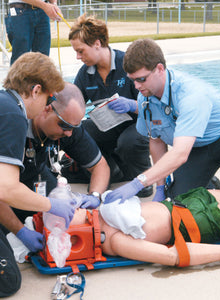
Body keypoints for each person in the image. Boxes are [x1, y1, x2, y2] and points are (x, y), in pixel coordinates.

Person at [104, 38, 220, 205]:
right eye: (132, 80)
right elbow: (156, 142)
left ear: (159, 69)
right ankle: (209, 185)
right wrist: (160, 186)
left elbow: (179, 153)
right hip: (195, 146)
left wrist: (138, 183)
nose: (137, 87)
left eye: (141, 79)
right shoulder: (146, 99)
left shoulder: (190, 95)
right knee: (181, 200)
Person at [71, 187, 220, 267]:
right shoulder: (114, 240)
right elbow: (174, 255)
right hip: (202, 220)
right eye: (66, 214)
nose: (70, 206)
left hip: (192, 200)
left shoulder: (101, 212)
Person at [0, 52, 74, 297]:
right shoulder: (13, 115)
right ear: (35, 90)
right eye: (48, 98)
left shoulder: (4, 104)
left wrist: (20, 230)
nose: (46, 105)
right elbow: (7, 189)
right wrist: (50, 204)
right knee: (7, 280)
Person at [68, 14, 153, 197]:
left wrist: (132, 104)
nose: (77, 57)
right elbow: (74, 105)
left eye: (81, 51)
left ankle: (143, 177)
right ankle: (109, 170)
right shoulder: (85, 74)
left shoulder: (128, 63)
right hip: (107, 126)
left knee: (128, 142)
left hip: (137, 124)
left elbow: (153, 107)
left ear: (97, 44)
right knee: (79, 131)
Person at [11, 82, 110, 224]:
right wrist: (19, 231)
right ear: (46, 109)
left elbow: (100, 166)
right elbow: (5, 189)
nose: (69, 133)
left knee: (67, 217)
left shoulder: (68, 125)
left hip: (37, 174)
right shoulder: (13, 125)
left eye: (73, 127)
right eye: (65, 126)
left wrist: (94, 195)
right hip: (7, 183)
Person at [5, 0, 63, 65]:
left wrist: (54, 4)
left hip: (43, 10)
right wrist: (45, 6)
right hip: (21, 9)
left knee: (43, 61)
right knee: (20, 60)